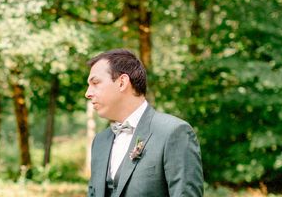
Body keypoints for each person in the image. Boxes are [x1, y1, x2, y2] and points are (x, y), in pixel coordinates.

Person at [85, 49, 203, 197]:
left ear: (122, 82)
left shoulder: (173, 132)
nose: (88, 93)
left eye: (95, 83)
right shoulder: (100, 141)